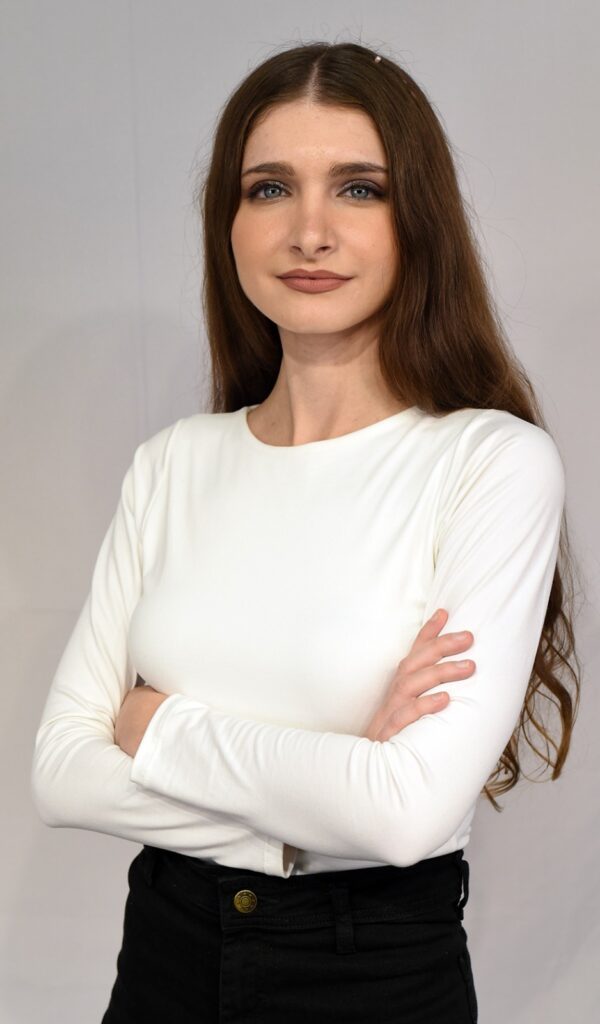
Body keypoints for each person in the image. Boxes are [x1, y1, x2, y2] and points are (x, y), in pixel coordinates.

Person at [31, 40, 581, 1023]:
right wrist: (311, 812)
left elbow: (404, 814)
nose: (310, 231)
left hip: (371, 974)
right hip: (165, 958)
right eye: (271, 188)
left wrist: (158, 727)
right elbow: (63, 773)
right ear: (229, 223)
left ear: (419, 219)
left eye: (359, 189)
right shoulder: (172, 464)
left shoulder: (491, 462)